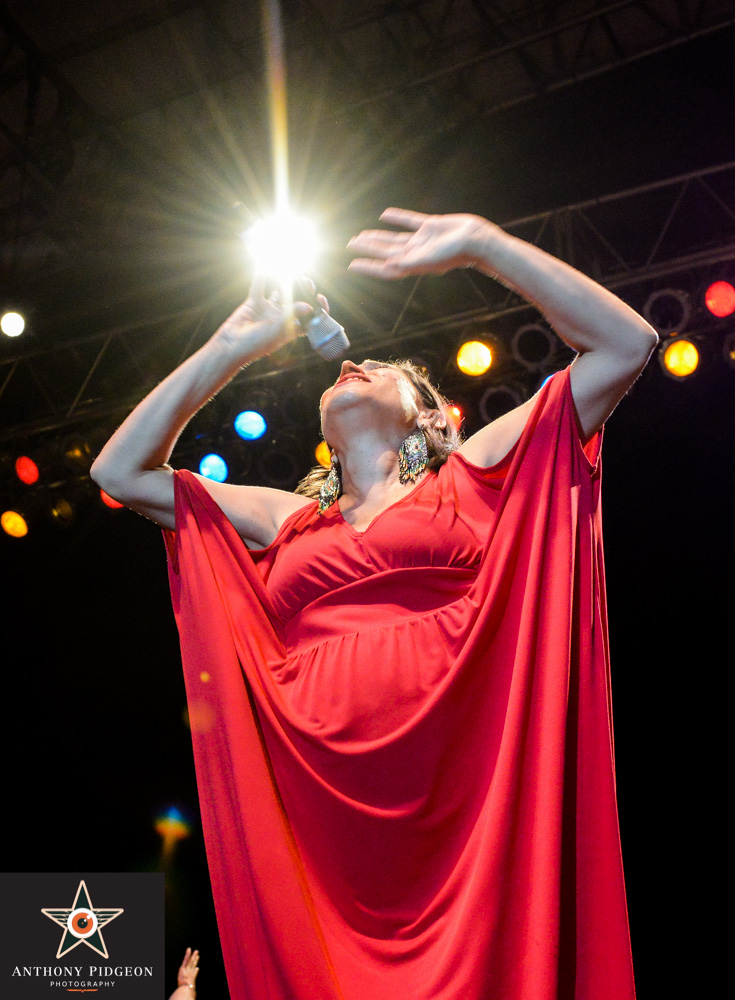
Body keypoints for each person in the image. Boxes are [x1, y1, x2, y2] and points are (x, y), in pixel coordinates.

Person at [91, 208, 657, 1000]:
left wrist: (484, 249)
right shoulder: (287, 517)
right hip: (318, 802)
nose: (351, 366)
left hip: (460, 783)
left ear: (428, 415)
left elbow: (626, 345)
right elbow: (118, 475)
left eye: (381, 369)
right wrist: (234, 344)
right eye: (341, 371)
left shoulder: (475, 476)